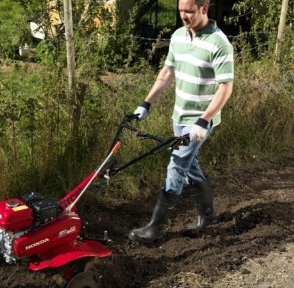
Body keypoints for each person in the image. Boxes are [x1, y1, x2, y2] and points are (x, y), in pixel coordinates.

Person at [128, 0, 234, 243]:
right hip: (179, 115)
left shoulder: (219, 43)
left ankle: (156, 226)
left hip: (199, 120)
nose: (183, 16)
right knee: (189, 165)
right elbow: (167, 72)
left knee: (176, 164)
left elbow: (226, 87)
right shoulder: (177, 36)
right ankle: (207, 216)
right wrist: (146, 103)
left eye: (189, 11)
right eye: (181, 11)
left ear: (204, 9)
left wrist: (203, 121)